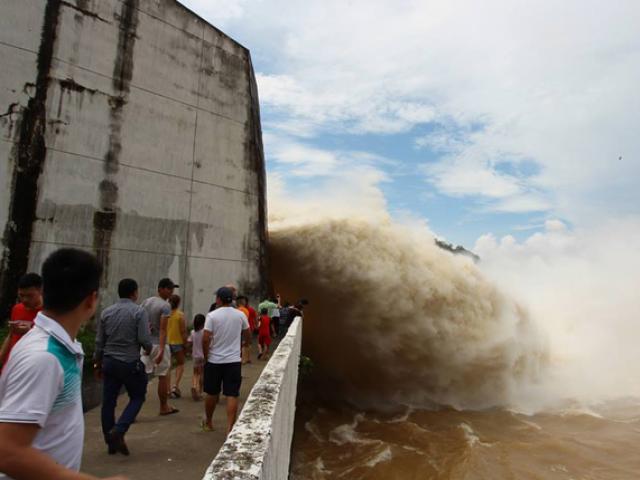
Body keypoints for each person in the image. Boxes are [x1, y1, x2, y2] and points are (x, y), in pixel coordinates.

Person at [0, 248, 124, 480]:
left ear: (44, 292)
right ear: (91, 300)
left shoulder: (60, 346)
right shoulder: (44, 358)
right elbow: (7, 451)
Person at [94, 278, 152, 456]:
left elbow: (99, 341)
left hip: (109, 361)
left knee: (109, 402)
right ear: (134, 292)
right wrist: (148, 349)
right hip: (129, 362)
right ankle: (119, 430)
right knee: (137, 396)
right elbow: (144, 339)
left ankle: (110, 441)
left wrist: (97, 362)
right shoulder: (139, 312)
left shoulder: (107, 312)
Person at [202, 287, 251, 435]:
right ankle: (230, 428)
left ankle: (209, 422)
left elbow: (205, 338)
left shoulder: (212, 316)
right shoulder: (240, 315)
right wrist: (245, 345)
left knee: (211, 393)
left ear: (218, 299)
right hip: (233, 361)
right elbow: (248, 334)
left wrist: (206, 356)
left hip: (214, 360)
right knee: (232, 394)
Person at [140, 278, 179, 416]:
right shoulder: (165, 306)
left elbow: (140, 320)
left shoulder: (146, 302)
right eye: (169, 289)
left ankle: (135, 405)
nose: (171, 292)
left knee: (142, 375)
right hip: (159, 343)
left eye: (172, 289)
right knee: (162, 375)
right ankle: (164, 406)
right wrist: (162, 349)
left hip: (146, 344)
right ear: (161, 289)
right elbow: (163, 329)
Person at [0, 273, 43, 372]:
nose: (25, 300)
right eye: (21, 295)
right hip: (10, 364)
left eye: (30, 296)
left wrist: (31, 331)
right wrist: (1, 357)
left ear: (41, 290)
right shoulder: (17, 308)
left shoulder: (48, 313)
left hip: (30, 367)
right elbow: (11, 335)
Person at [166, 294, 187, 399]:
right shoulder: (180, 315)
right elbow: (183, 331)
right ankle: (175, 385)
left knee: (168, 366)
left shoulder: (165, 314)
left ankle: (167, 389)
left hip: (167, 342)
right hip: (178, 342)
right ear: (178, 303)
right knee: (180, 363)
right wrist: (185, 343)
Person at [187, 314, 206, 401]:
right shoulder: (204, 332)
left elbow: (189, 342)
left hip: (195, 355)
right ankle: (200, 391)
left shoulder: (192, 332)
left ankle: (194, 386)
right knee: (202, 373)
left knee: (195, 373)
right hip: (203, 355)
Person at [236, 296, 251, 364]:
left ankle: (241, 359)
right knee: (245, 344)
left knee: (240, 345)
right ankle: (245, 359)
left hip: (238, 330)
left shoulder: (237, 310)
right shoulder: (246, 310)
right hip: (244, 329)